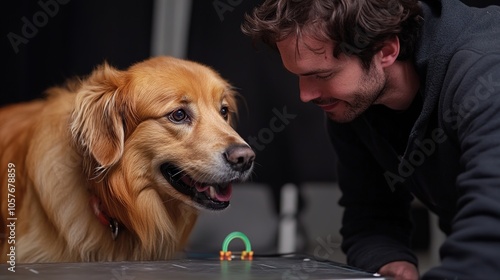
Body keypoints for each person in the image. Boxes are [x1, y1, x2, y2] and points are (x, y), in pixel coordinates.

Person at [241, 0, 500, 279]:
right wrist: (388, 260)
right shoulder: (353, 102)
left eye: (323, 74)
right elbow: (371, 214)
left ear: (386, 50)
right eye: (300, 76)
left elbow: (491, 227)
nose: (305, 95)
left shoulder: (486, 73)